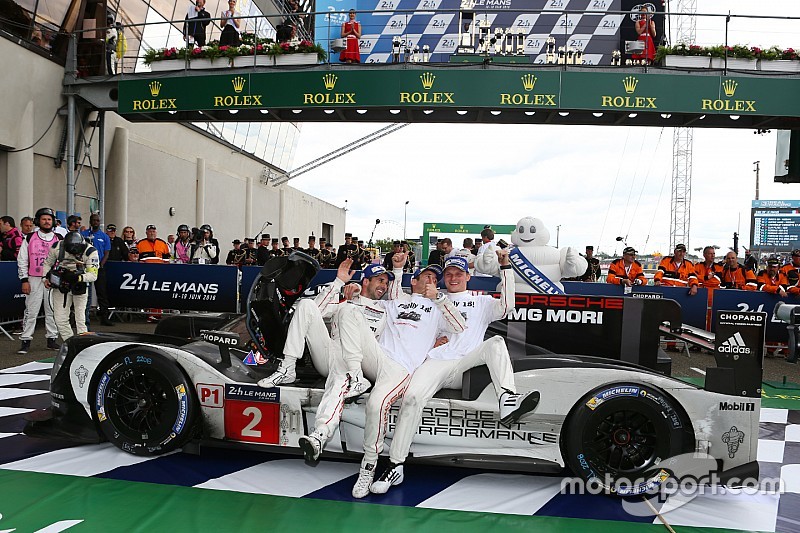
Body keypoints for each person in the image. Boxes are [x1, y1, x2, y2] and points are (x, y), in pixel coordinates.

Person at [370, 253, 539, 496]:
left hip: (466, 363)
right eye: (448, 274)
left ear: (468, 277)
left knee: (496, 342)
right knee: (412, 398)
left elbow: (507, 306)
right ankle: (396, 465)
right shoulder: (431, 300)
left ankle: (508, 399)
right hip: (436, 362)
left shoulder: (480, 301)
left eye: (458, 274)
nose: (453, 278)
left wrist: (506, 268)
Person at [340, 263, 468, 498]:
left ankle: (368, 466)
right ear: (414, 282)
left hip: (400, 368)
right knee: (349, 311)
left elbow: (460, 326)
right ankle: (354, 376)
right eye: (426, 277)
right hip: (375, 357)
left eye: (435, 279)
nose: (431, 281)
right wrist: (352, 289)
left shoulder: (437, 308)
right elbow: (366, 301)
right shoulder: (393, 303)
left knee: (375, 404)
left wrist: (439, 299)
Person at [257, 257, 405, 389]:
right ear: (366, 281)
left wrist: (398, 270)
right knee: (306, 304)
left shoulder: (384, 308)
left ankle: (356, 378)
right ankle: (288, 368)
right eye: (380, 280)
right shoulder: (346, 298)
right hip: (330, 357)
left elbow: (400, 302)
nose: (384, 286)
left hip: (361, 364)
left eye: (386, 283)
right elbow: (316, 310)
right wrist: (339, 282)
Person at [17, 207, 62, 353]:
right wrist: (24, 280)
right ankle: (25, 340)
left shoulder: (59, 239)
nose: (47, 221)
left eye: (49, 219)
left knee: (52, 310)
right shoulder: (29, 238)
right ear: (38, 221)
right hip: (34, 279)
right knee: (31, 310)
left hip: (52, 279)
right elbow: (22, 260)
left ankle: (52, 339)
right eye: (44, 219)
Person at [43, 232, 99, 341]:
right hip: (61, 284)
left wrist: (77, 278)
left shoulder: (91, 252)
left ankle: (83, 345)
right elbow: (47, 263)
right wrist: (45, 278)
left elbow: (93, 275)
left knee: (81, 319)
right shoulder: (56, 247)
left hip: (80, 284)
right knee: (60, 319)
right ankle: (70, 343)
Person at [81, 213, 113, 325]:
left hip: (99, 268)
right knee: (83, 293)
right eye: (93, 220)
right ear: (90, 221)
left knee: (102, 293)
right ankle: (82, 318)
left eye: (97, 220)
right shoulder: (83, 234)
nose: (95, 222)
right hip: (85, 268)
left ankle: (104, 318)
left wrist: (101, 265)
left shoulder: (105, 237)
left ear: (100, 222)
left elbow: (106, 253)